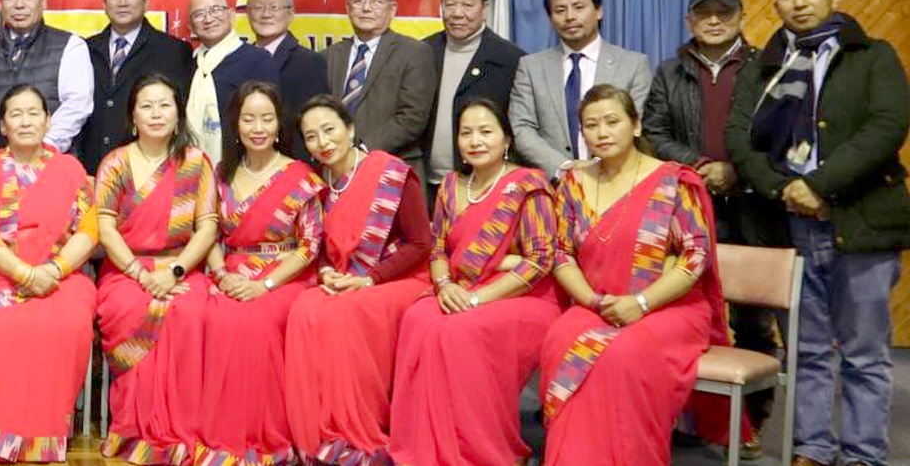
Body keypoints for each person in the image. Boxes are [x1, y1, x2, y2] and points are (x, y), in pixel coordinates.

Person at [727, 0, 909, 466]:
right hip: (790, 225)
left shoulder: (873, 56)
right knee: (805, 349)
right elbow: (739, 136)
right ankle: (811, 447)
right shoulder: (763, 66)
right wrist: (783, 189)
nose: (799, 3)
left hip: (860, 223)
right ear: (776, 3)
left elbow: (887, 127)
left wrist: (818, 185)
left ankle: (863, 453)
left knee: (864, 352)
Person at [540, 84, 725, 466]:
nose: (602, 132)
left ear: (636, 125)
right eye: (591, 125)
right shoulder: (574, 183)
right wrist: (593, 301)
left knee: (624, 353)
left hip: (667, 307)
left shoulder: (672, 181)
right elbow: (560, 253)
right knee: (561, 338)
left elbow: (695, 256)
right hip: (599, 303)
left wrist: (640, 302)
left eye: (612, 122)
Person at [643, 0, 780, 448]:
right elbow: (654, 133)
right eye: (705, 13)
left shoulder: (766, 68)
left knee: (752, 319)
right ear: (690, 21)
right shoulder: (669, 72)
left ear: (741, 16)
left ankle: (747, 425)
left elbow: (777, 134)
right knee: (682, 311)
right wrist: (701, 167)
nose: (715, 20)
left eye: (725, 12)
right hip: (687, 207)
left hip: (753, 206)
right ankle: (684, 416)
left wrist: (736, 170)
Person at [388, 98, 560, 466]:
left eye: (485, 131)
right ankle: (430, 445)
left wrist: (478, 298)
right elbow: (437, 249)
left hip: (523, 296)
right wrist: (444, 286)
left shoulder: (527, 184)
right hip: (461, 287)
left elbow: (540, 261)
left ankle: (482, 448)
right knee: (417, 318)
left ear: (506, 139)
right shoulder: (451, 186)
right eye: (466, 133)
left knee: (456, 331)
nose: (475, 141)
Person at [283, 95, 431, 466]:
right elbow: (317, 247)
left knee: (346, 314)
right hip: (344, 279)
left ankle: (356, 426)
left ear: (350, 129)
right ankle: (319, 429)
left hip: (399, 278)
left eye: (329, 130)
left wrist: (370, 280)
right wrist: (325, 272)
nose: (323, 142)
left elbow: (420, 244)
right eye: (312, 136)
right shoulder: (317, 183)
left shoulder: (390, 173)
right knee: (304, 308)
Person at [0, 84, 100, 462]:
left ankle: (45, 434)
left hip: (61, 275)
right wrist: (25, 274)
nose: (25, 121)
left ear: (47, 120)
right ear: (3, 125)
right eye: (16, 114)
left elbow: (89, 231)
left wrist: (54, 269)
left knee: (66, 323)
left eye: (33, 113)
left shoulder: (69, 169)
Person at [196, 81, 323, 466]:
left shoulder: (300, 176)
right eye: (248, 118)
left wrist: (264, 284)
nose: (258, 128)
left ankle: (262, 435)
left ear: (279, 123)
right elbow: (209, 232)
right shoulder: (222, 173)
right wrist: (222, 276)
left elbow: (309, 246)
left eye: (267, 119)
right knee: (212, 316)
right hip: (231, 272)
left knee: (256, 321)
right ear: (235, 123)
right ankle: (221, 433)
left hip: (284, 276)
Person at [95, 73, 219, 464]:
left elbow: (208, 227)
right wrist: (140, 274)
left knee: (190, 311)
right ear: (132, 116)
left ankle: (182, 429)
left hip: (182, 267)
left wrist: (176, 271)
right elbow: (105, 228)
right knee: (129, 308)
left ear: (178, 114)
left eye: (165, 105)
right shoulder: (115, 162)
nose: (156, 113)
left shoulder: (196, 162)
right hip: (125, 269)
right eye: (146, 106)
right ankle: (133, 426)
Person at [509, 0, 653, 177]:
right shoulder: (531, 67)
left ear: (598, 11)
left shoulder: (633, 65)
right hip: (554, 182)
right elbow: (522, 127)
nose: (570, 17)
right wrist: (564, 167)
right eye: (560, 10)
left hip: (618, 178)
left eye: (579, 7)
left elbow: (635, 122)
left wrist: (597, 167)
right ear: (550, 18)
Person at [321, 0, 436, 177]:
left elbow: (412, 117)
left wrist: (360, 152)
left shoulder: (415, 53)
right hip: (335, 170)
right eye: (358, 1)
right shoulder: (328, 56)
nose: (366, 8)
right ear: (347, 8)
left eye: (377, 1)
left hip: (392, 170)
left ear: (392, 9)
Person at [80, 0, 194, 173]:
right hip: (90, 169)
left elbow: (180, 113)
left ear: (146, 3)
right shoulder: (85, 49)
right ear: (104, 4)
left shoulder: (173, 51)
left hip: (149, 169)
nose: (122, 2)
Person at [0, 0, 93, 154]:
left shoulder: (70, 45)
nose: (19, 4)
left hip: (51, 160)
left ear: (43, 1)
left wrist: (43, 148)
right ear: (0, 4)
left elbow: (77, 105)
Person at [421, 0, 524, 186]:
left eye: (468, 5)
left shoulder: (511, 60)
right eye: (450, 5)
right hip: (426, 181)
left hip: (483, 182)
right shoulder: (422, 52)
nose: (457, 13)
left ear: (484, 8)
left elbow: (518, 128)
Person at [185, 0, 277, 170]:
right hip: (191, 169)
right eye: (199, 14)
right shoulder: (188, 64)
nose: (208, 19)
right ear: (191, 27)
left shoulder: (258, 60)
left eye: (216, 10)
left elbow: (273, 118)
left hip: (245, 166)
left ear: (232, 15)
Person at [243, 0, 328, 156]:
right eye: (258, 8)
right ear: (248, 15)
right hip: (245, 161)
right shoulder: (239, 59)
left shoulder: (310, 62)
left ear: (290, 15)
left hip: (292, 161)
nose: (266, 14)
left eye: (274, 8)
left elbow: (314, 122)